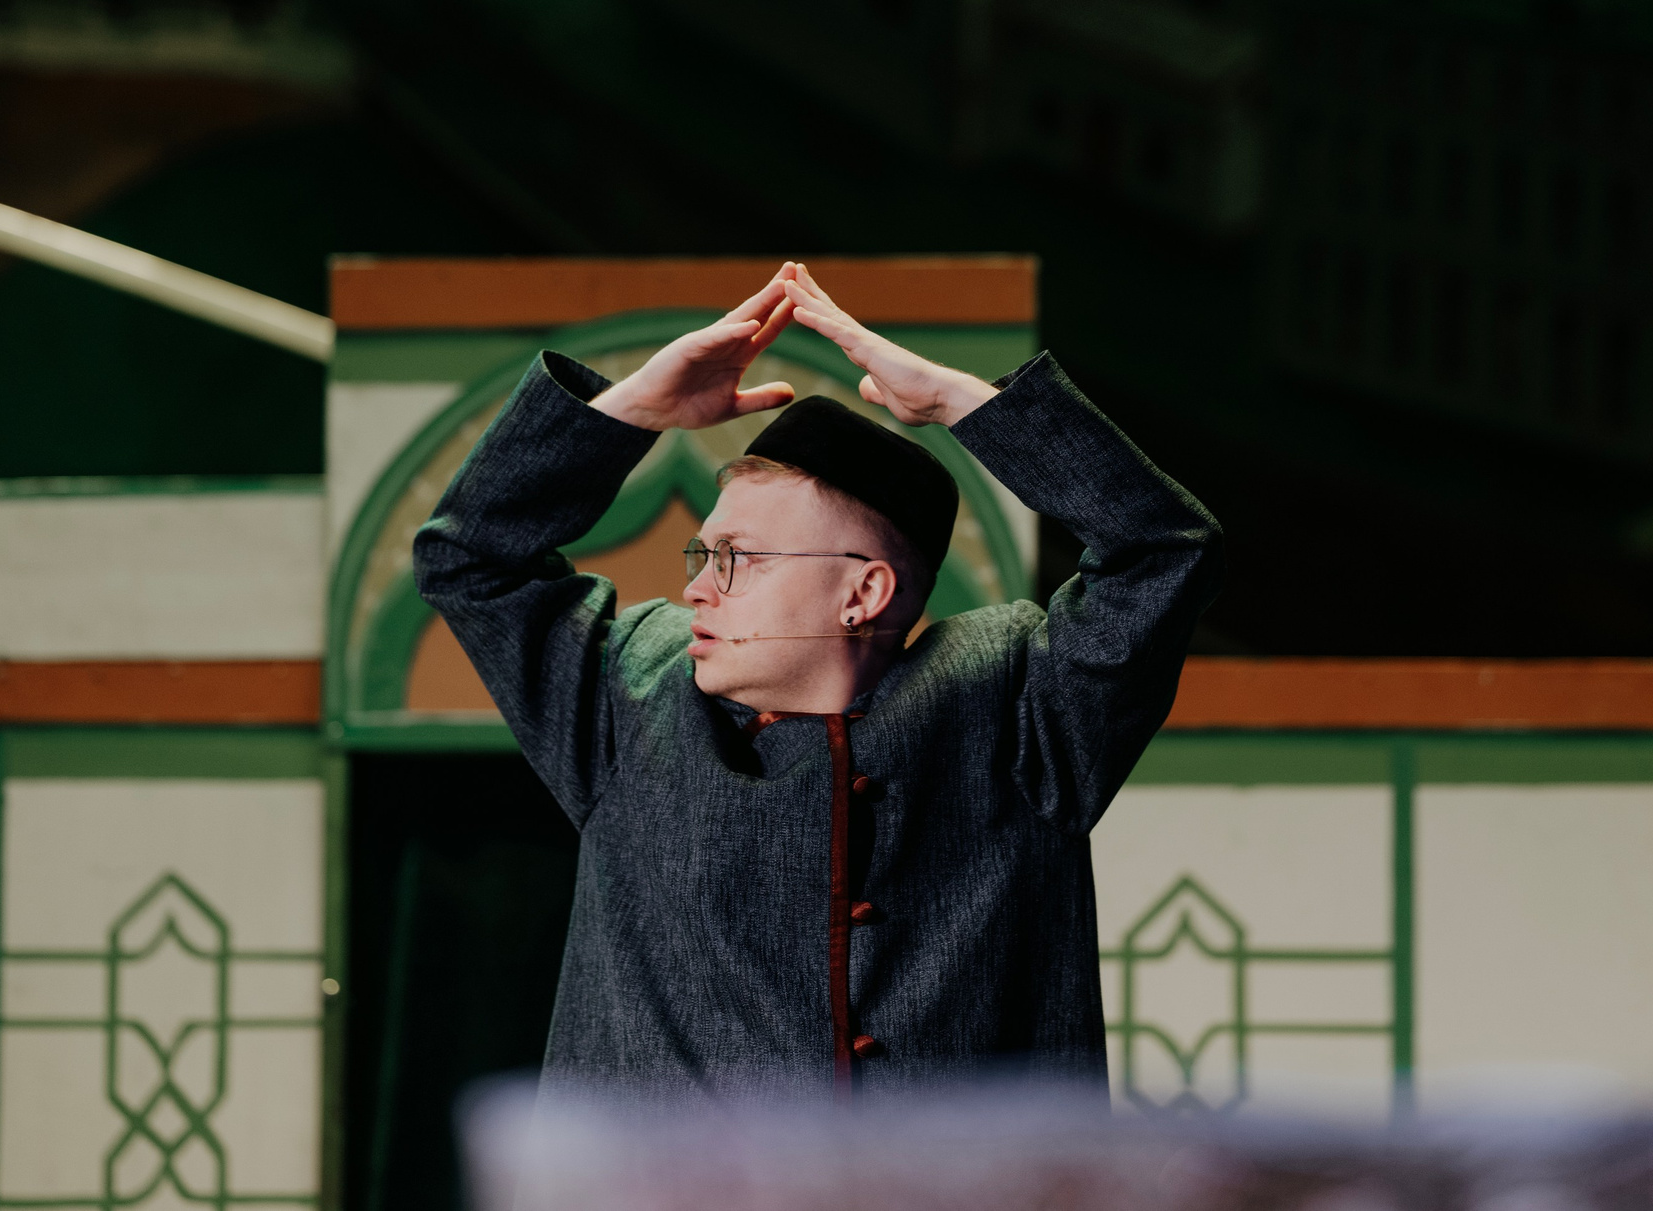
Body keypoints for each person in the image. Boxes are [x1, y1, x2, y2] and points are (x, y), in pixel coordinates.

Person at [413, 262, 1223, 1096]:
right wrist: (630, 413)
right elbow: (471, 556)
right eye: (704, 554)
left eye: (739, 559)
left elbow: (1161, 549)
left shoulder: (1012, 709)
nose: (696, 585)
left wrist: (959, 403)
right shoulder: (635, 697)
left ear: (863, 591)